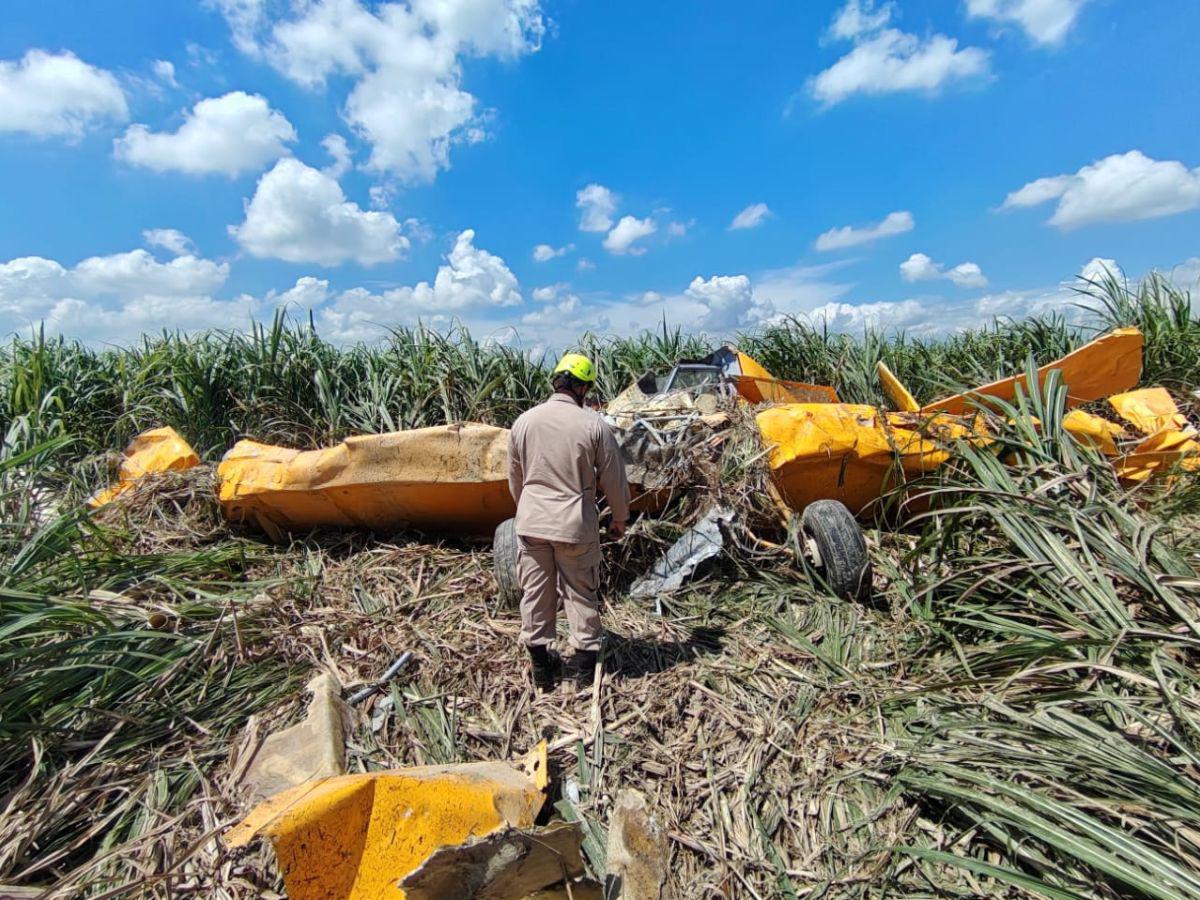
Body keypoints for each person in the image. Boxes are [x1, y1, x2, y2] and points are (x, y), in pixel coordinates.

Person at [507, 352, 630, 692]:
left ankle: (542, 669)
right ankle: (583, 671)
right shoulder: (593, 425)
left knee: (535, 593)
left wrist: (528, 511)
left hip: (531, 524)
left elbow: (515, 478)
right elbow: (614, 477)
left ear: (557, 382)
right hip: (574, 525)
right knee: (580, 592)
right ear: (583, 388)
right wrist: (620, 518)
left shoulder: (524, 422)